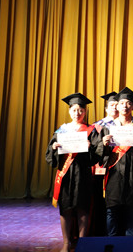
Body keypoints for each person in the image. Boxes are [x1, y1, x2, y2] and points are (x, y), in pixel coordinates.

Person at [46, 93, 101, 252]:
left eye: (81, 110)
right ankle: (66, 242)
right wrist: (54, 148)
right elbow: (50, 154)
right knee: (65, 208)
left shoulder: (91, 131)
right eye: (74, 110)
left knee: (83, 207)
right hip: (66, 174)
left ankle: (83, 242)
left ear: (85, 111)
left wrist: (90, 147)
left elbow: (97, 154)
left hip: (83, 174)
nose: (78, 113)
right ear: (70, 111)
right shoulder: (61, 130)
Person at [99, 87, 133, 236]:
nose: (125, 106)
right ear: (117, 106)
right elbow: (100, 155)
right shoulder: (108, 127)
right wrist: (103, 144)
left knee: (132, 209)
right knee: (112, 210)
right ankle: (112, 241)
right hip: (114, 173)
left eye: (129, 103)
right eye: (122, 103)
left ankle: (131, 242)